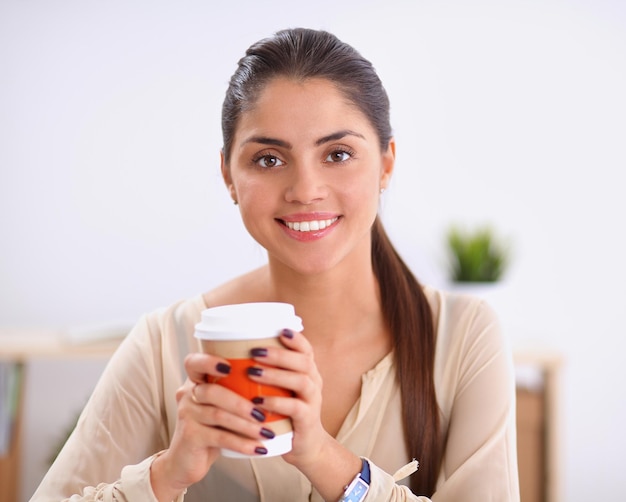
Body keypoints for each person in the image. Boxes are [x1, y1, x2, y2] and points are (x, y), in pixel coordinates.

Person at [31, 28, 519, 502]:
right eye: (268, 159)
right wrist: (165, 475)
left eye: (339, 153)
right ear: (228, 175)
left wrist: (323, 458)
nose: (305, 189)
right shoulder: (164, 345)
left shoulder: (464, 338)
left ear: (386, 164)